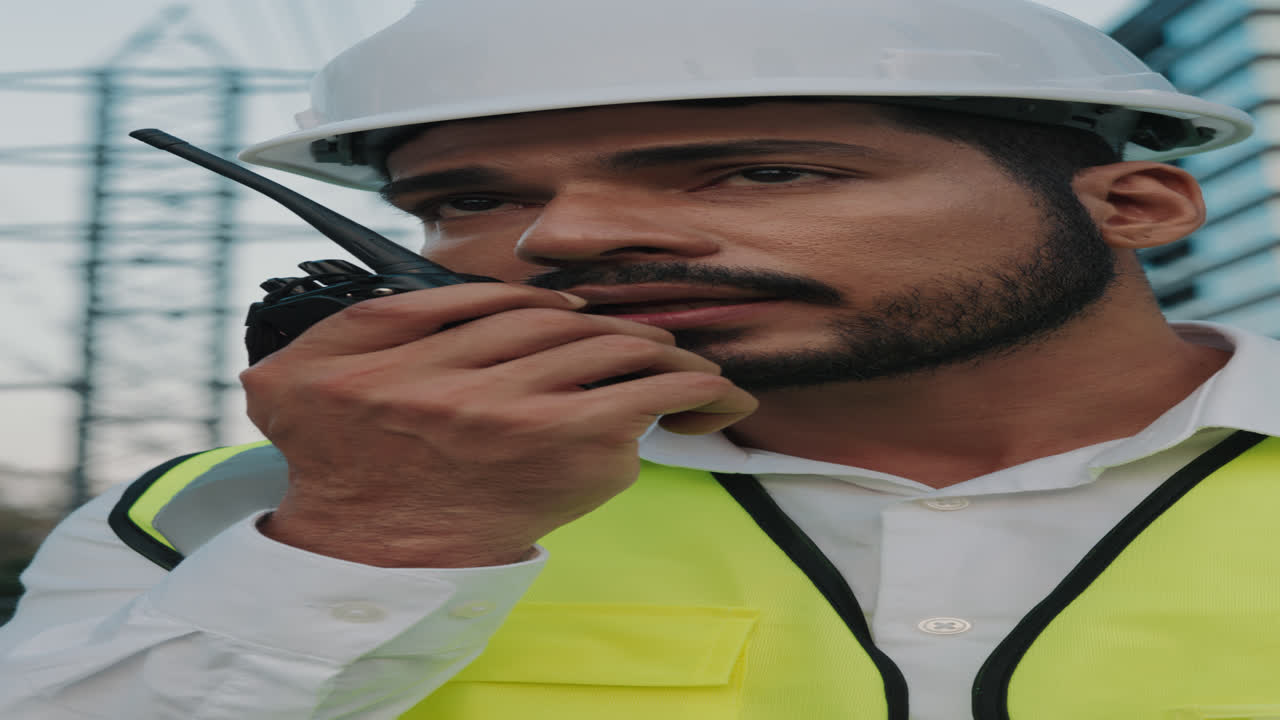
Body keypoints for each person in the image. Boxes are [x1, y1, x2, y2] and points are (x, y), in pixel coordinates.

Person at [1, 0, 1275, 717]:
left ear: (1137, 205)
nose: (564, 237)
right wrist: (373, 544)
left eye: (762, 169)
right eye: (464, 200)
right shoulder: (222, 520)